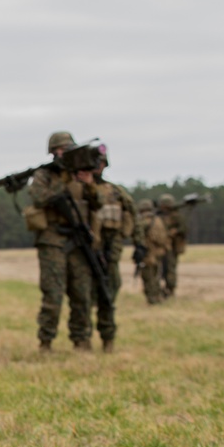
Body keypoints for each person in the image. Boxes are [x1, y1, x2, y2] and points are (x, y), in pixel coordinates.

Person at [27, 131, 102, 352]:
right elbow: (39, 197)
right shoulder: (45, 175)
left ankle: (82, 340)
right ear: (53, 152)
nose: (65, 153)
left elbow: (98, 203)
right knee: (53, 294)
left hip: (79, 242)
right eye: (61, 150)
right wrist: (65, 179)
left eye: (69, 149)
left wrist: (88, 184)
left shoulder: (82, 174)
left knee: (82, 293)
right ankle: (46, 342)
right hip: (53, 241)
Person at [90, 145, 144, 353]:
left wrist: (140, 245)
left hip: (110, 254)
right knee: (83, 299)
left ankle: (108, 340)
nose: (97, 167)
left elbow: (134, 217)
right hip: (83, 253)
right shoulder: (77, 190)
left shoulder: (116, 192)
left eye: (100, 163)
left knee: (108, 296)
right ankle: (82, 342)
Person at [135, 199, 170, 305]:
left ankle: (152, 299)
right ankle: (158, 297)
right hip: (159, 252)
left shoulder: (144, 221)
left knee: (148, 277)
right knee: (156, 276)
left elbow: (138, 237)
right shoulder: (158, 220)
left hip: (149, 253)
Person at [158, 194, 187, 299]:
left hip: (172, 247)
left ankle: (170, 290)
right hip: (161, 247)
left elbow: (183, 229)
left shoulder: (176, 216)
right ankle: (162, 290)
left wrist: (173, 232)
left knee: (170, 269)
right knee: (161, 269)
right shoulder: (160, 216)